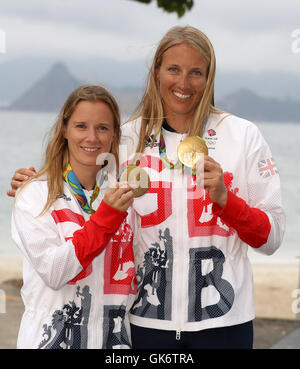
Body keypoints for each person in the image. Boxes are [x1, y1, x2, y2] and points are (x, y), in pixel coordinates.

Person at [9, 26, 285, 349]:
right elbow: (79, 181)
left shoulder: (242, 137)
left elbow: (272, 238)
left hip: (225, 325)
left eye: (196, 72)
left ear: (209, 77)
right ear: (156, 72)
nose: (183, 83)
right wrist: (36, 181)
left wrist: (227, 201)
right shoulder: (124, 140)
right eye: (173, 70)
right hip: (144, 327)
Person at [11, 84, 136, 349]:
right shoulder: (34, 194)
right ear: (64, 129)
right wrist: (107, 217)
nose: (92, 137)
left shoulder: (125, 196)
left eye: (102, 127)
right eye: (81, 126)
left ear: (114, 134)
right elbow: (54, 272)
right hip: (50, 341)